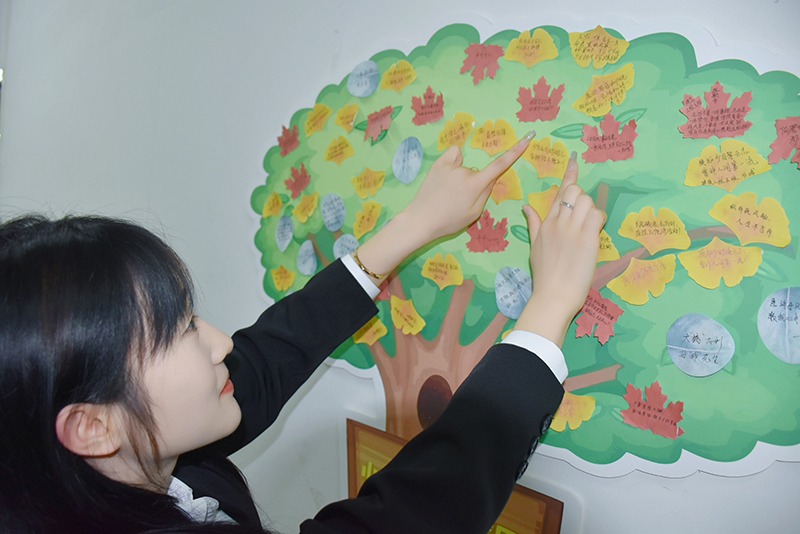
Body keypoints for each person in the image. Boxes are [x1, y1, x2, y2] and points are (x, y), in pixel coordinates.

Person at [0, 129, 605, 534]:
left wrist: (415, 225)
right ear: (91, 427)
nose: (221, 342)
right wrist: (550, 306)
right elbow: (415, 515)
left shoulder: (104, 460)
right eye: (180, 331)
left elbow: (262, 363)